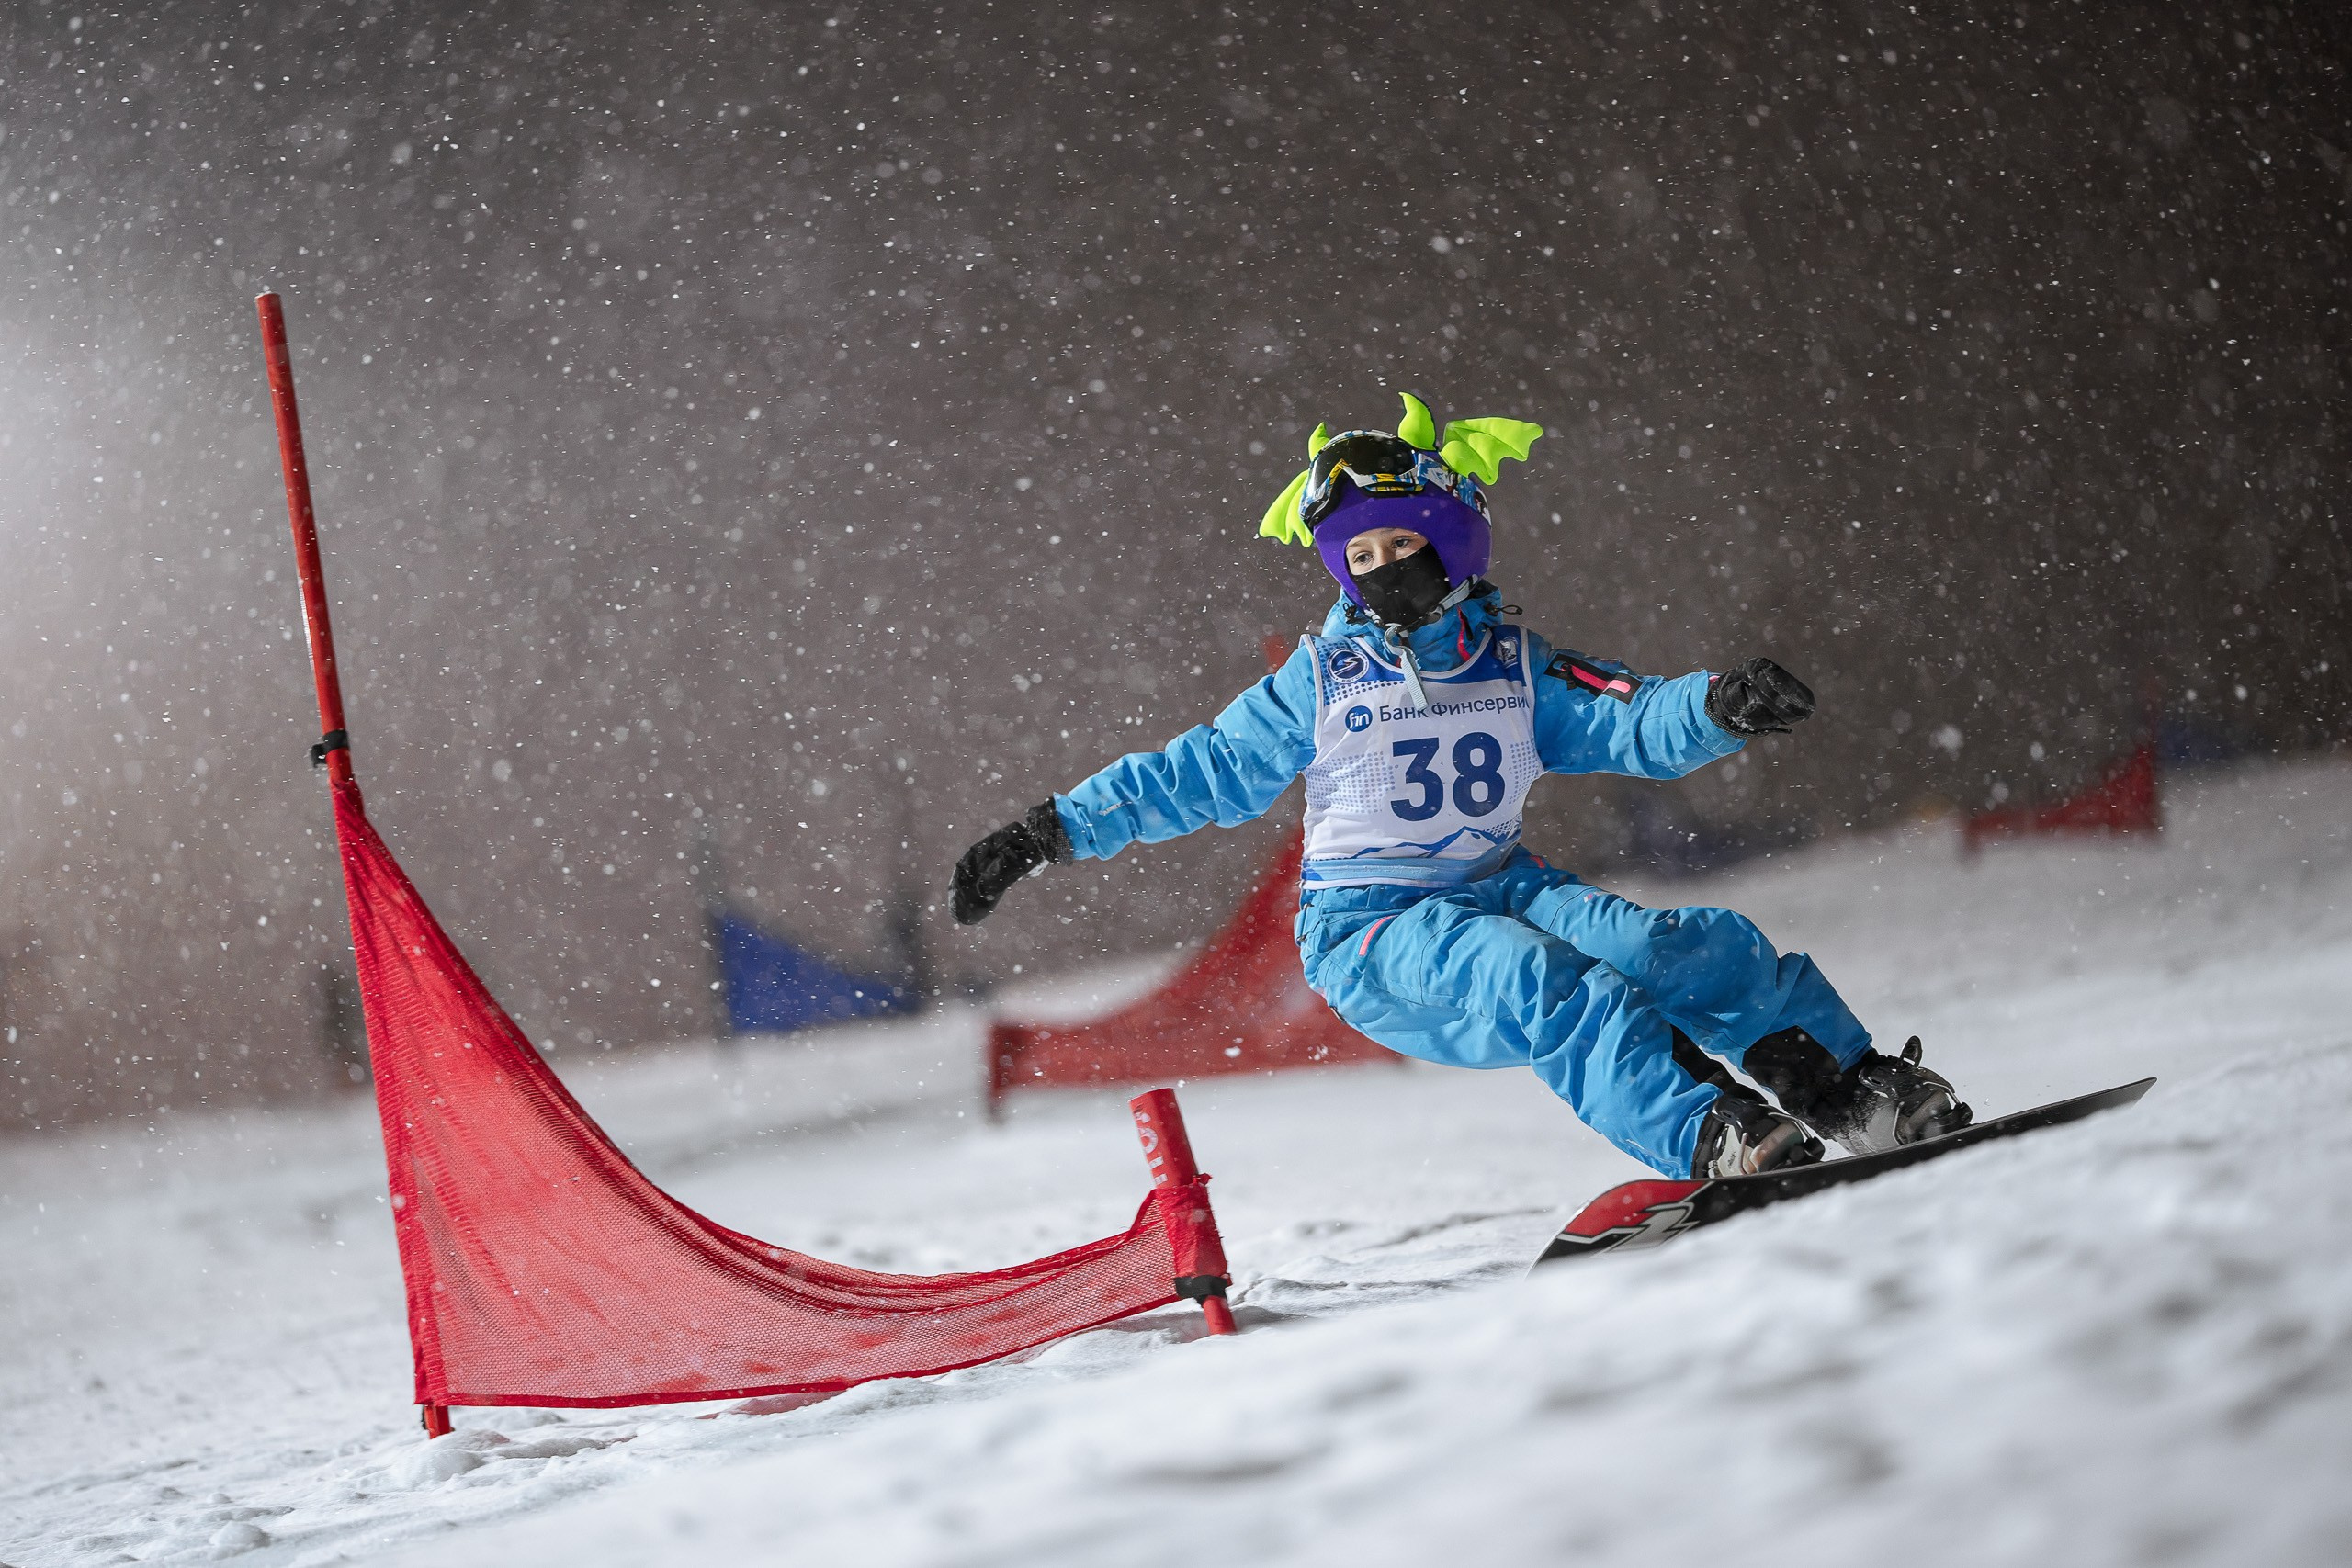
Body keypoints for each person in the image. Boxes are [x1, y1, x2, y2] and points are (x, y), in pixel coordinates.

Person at [950, 395, 1970, 1179]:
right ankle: (1711, 1131)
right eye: (1361, 556)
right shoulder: (1324, 678)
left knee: (1674, 948)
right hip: (1370, 931)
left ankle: (1851, 1092)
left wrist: (1719, 706)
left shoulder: (1514, 665)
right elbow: (1200, 771)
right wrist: (1048, 831)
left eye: (1403, 546)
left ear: (1451, 539)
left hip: (1501, 883)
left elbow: (1628, 717)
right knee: (1541, 978)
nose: (1384, 570)